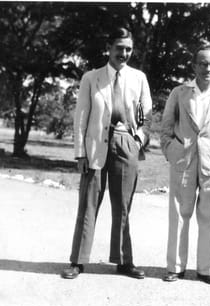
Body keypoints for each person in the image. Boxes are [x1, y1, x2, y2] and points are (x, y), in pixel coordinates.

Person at [61, 27, 152, 280]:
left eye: (128, 49)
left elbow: (146, 116)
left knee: (123, 206)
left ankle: (124, 261)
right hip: (95, 147)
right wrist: (80, 153)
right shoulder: (91, 78)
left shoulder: (139, 78)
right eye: (119, 48)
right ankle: (77, 261)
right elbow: (81, 118)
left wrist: (138, 139)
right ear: (109, 48)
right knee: (88, 205)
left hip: (126, 144)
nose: (124, 53)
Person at [160, 44, 210, 286]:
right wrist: (172, 151)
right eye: (203, 63)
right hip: (183, 161)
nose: (208, 68)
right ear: (194, 66)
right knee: (179, 213)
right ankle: (175, 267)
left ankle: (207, 269)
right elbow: (165, 128)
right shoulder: (179, 93)